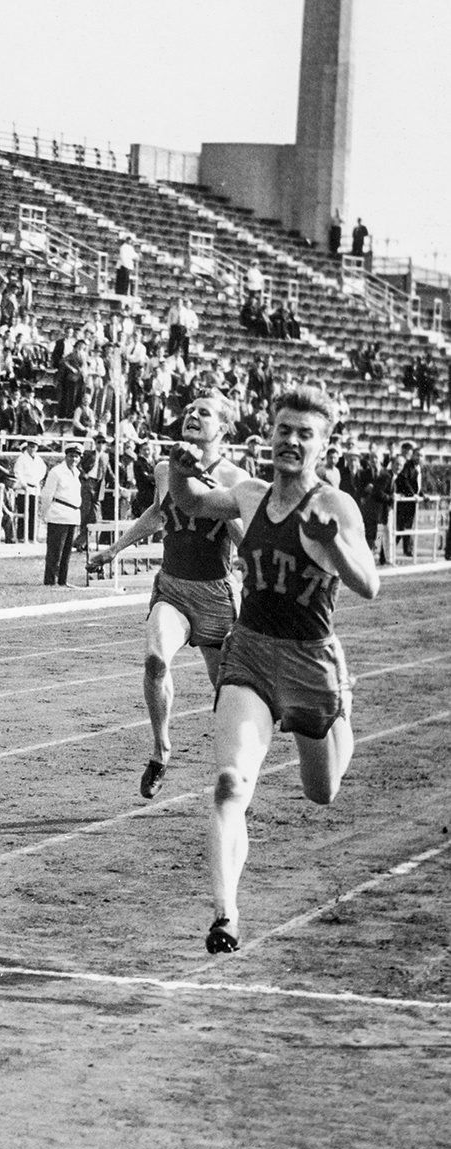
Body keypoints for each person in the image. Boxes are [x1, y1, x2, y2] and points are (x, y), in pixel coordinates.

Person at [166, 385, 380, 955]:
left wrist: (331, 547)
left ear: (323, 445)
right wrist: (177, 465)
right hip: (253, 652)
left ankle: (340, 711)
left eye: (304, 434)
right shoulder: (251, 494)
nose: (291, 441)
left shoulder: (336, 506)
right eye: (284, 430)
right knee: (230, 783)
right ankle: (226, 915)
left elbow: (370, 583)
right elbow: (190, 503)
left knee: (322, 792)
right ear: (270, 434)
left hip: (312, 661)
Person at [87, 397, 247, 797]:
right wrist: (116, 548)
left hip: (215, 594)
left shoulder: (236, 477)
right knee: (155, 660)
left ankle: (237, 766)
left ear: (224, 429)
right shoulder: (164, 469)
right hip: (173, 588)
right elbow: (158, 514)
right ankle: (161, 749)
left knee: (225, 689)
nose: (192, 415)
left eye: (204, 412)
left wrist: (212, 492)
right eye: (189, 408)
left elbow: (246, 539)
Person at [39, 442, 82, 586]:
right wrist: (44, 514)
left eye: (76, 457)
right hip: (58, 514)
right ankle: (50, 581)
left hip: (72, 515)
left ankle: (62, 581)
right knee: (55, 552)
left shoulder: (76, 473)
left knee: (67, 553)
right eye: (71, 456)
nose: (74, 459)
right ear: (66, 456)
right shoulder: (56, 472)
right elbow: (47, 495)